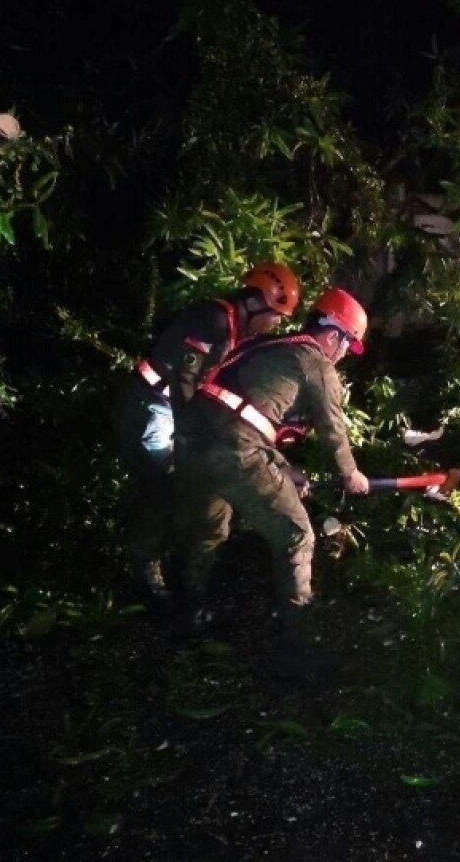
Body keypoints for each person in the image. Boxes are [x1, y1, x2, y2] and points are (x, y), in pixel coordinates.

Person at [172, 287, 371, 676]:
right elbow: (333, 428)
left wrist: (284, 468)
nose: (345, 354)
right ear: (334, 335)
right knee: (297, 536)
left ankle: (188, 616)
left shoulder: (271, 346)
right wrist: (350, 474)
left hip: (193, 441)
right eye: (347, 344)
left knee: (208, 531)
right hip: (235, 450)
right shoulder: (316, 361)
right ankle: (297, 648)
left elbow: (243, 412)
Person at [112, 262, 302, 606]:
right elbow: (183, 383)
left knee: (181, 490)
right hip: (154, 407)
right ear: (258, 302)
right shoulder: (214, 320)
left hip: (169, 411)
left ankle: (169, 567)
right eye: (276, 314)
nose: (276, 323)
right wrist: (190, 438)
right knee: (160, 488)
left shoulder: (233, 332)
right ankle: (144, 572)